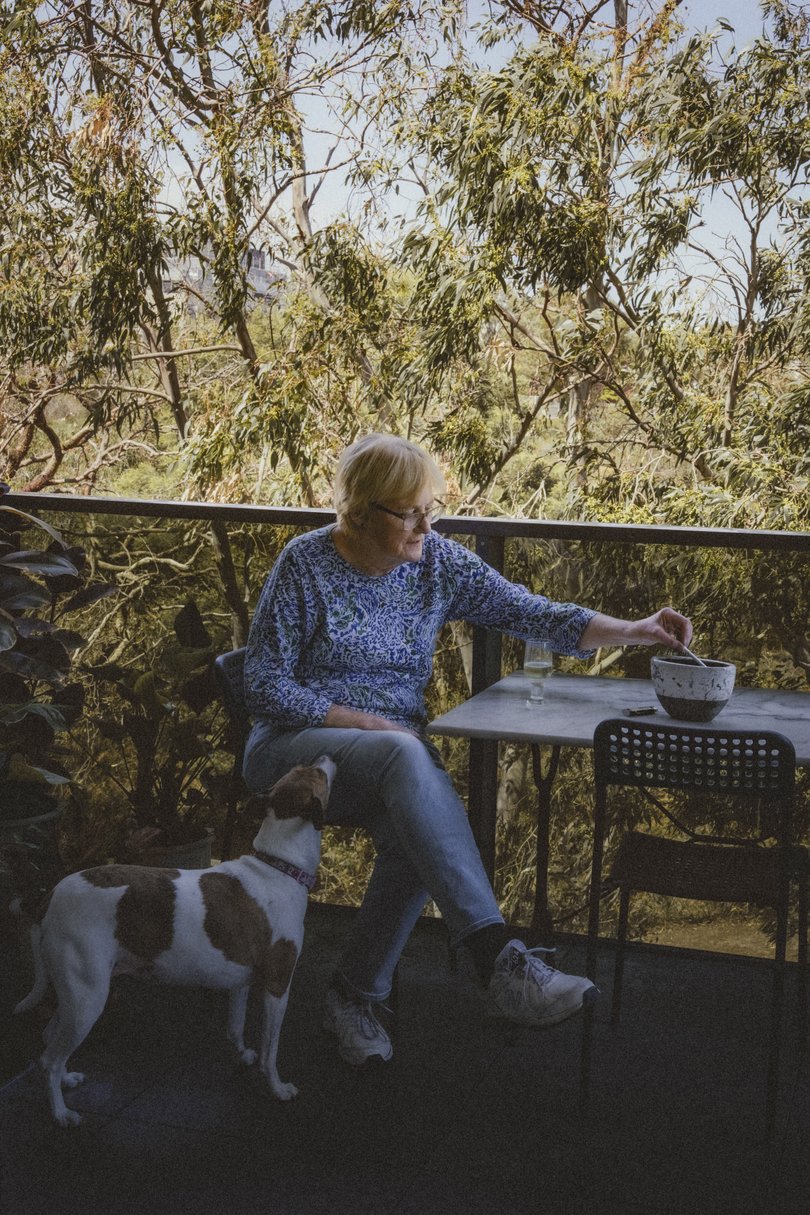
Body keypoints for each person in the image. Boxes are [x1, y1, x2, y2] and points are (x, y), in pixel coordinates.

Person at [243, 433, 692, 1065]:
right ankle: (497, 962)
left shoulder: (436, 564)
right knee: (407, 755)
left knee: (412, 837)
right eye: (410, 512)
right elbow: (262, 684)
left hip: (386, 763)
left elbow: (533, 613)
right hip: (290, 753)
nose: (427, 524)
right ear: (364, 511)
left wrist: (638, 630)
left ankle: (351, 995)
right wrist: (369, 725)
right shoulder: (304, 564)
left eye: (432, 508)